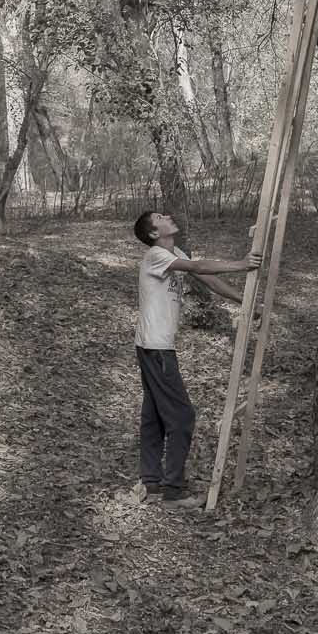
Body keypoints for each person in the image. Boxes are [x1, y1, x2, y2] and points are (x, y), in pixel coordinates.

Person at [132, 210, 260, 506]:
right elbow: (201, 264)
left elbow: (206, 277)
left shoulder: (173, 251)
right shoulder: (155, 255)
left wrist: (245, 301)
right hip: (156, 348)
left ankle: (151, 484)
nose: (167, 216)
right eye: (160, 217)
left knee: (154, 418)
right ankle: (173, 491)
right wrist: (243, 265)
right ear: (153, 233)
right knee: (182, 416)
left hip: (153, 346)